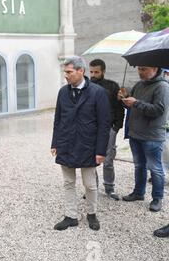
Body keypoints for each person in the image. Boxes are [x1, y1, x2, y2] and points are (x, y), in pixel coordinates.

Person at [51, 56, 110, 231]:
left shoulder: (98, 92)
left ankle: (92, 214)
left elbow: (104, 124)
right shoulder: (63, 92)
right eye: (65, 72)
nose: (66, 76)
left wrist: (101, 151)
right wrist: (55, 143)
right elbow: (58, 120)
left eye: (69, 72)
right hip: (66, 144)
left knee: (90, 184)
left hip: (88, 146)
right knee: (68, 182)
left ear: (80, 71)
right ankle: (71, 216)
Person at [121, 66, 169, 212]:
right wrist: (124, 99)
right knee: (139, 165)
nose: (140, 72)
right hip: (135, 133)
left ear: (154, 69)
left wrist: (135, 102)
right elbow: (132, 107)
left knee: (155, 168)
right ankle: (138, 193)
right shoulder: (139, 84)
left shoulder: (163, 86)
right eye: (139, 69)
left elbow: (159, 110)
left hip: (152, 136)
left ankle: (157, 198)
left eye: (143, 69)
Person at [89, 59, 125, 200]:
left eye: (96, 72)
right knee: (90, 159)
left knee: (108, 159)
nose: (93, 74)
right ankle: (93, 188)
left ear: (103, 71)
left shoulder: (112, 86)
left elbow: (119, 108)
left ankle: (110, 188)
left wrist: (116, 127)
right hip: (91, 128)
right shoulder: (86, 86)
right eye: (91, 71)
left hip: (109, 128)